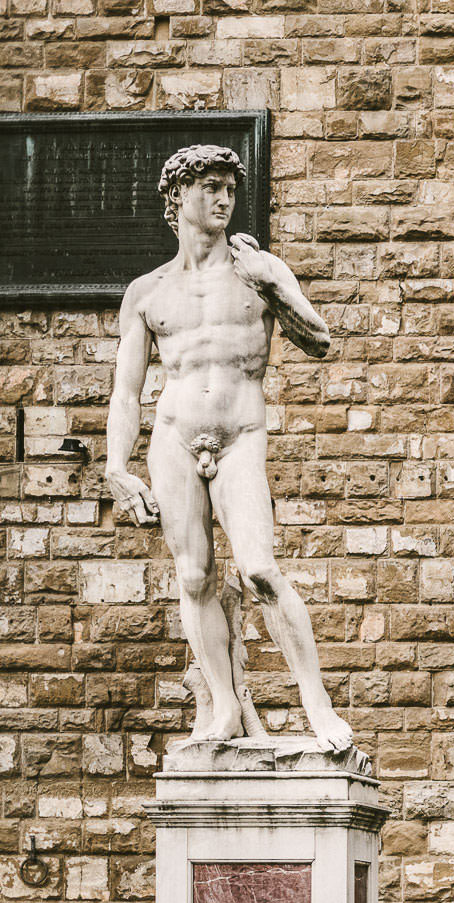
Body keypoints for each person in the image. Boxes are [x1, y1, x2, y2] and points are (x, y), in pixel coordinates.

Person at [105, 145, 352, 751]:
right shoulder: (147, 292)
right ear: (179, 197)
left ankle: (316, 705)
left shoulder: (257, 269)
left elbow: (320, 340)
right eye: (211, 188)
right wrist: (116, 467)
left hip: (241, 435)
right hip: (173, 437)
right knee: (193, 578)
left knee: (261, 569)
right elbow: (126, 390)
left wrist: (277, 286)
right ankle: (222, 707)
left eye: (230, 190)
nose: (223, 200)